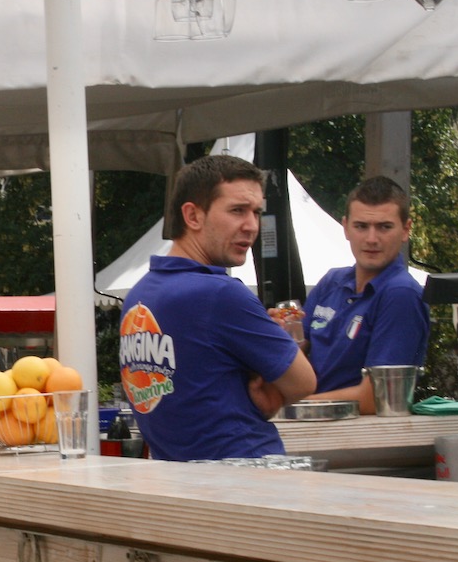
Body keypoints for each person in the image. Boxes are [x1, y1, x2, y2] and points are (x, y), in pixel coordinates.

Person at [118, 154, 315, 462]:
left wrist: (263, 335)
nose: (251, 226)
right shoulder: (220, 294)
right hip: (246, 478)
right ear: (193, 216)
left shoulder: (139, 297)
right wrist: (282, 349)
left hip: (177, 480)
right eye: (237, 211)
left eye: (256, 212)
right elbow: (304, 382)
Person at [301, 176, 431, 414]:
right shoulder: (332, 282)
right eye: (361, 226)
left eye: (384, 227)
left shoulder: (400, 294)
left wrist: (293, 406)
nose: (371, 239)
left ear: (406, 230)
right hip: (312, 427)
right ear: (346, 228)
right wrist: (278, 333)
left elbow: (378, 398)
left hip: (363, 441)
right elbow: (290, 361)